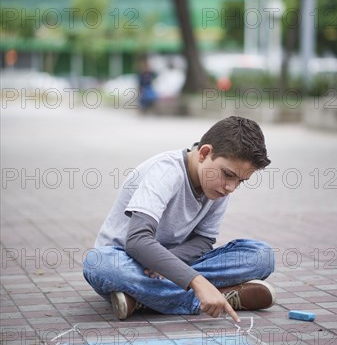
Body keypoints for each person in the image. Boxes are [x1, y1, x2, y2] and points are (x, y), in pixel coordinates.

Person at [83, 116, 276, 322]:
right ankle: (213, 297)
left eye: (241, 181)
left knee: (261, 256)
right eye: (228, 175)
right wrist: (197, 282)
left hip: (171, 263)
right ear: (204, 153)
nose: (231, 187)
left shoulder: (218, 185)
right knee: (99, 264)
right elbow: (137, 241)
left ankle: (142, 299)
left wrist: (168, 265)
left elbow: (203, 241)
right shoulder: (166, 172)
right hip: (129, 259)